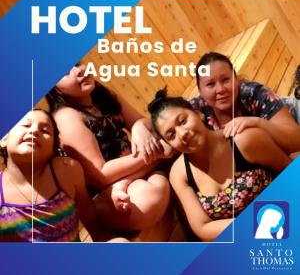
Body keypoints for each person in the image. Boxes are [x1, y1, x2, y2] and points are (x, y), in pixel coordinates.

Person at [148, 88, 291, 242]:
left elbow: (289, 172)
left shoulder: (244, 140)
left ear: (198, 113)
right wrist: (254, 228)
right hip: (240, 243)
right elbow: (202, 227)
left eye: (183, 121)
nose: (182, 134)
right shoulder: (179, 174)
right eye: (171, 135)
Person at [46, 63, 170, 231]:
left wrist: (138, 128)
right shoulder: (66, 118)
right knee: (147, 199)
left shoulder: (102, 95)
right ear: (56, 90)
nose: (79, 71)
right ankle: (146, 174)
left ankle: (130, 180)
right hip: (106, 192)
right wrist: (153, 154)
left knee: (174, 138)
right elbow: (101, 175)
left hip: (133, 171)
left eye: (78, 64)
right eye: (66, 72)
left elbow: (146, 123)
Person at [0, 109, 126, 242]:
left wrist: (100, 236)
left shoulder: (66, 170)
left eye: (45, 131)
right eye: (26, 125)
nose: (34, 131)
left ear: (53, 149)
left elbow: (86, 208)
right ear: (4, 139)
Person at [191, 52, 300, 155]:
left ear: (236, 79)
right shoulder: (192, 112)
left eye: (225, 80)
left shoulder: (255, 94)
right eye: (210, 84)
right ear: (200, 90)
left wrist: (257, 123)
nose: (220, 89)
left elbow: (296, 140)